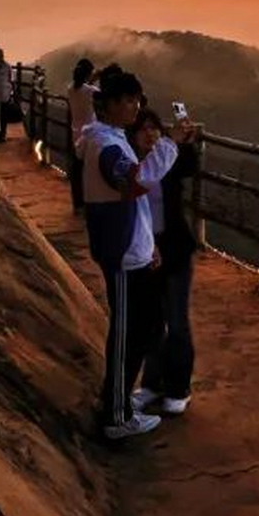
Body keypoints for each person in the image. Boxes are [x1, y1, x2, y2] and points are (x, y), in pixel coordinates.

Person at [78, 68, 190, 440]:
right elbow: (136, 181)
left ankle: (120, 403)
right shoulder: (107, 146)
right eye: (128, 100)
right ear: (109, 104)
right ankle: (116, 415)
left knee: (146, 327)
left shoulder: (112, 139)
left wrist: (148, 244)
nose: (135, 107)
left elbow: (133, 200)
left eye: (137, 100)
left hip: (134, 249)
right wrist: (169, 143)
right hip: (122, 256)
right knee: (127, 335)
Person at [132, 108, 201, 417]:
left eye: (155, 129)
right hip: (144, 252)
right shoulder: (130, 166)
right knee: (150, 321)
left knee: (176, 322)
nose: (150, 134)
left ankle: (178, 387)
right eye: (143, 129)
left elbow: (190, 165)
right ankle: (152, 384)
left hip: (174, 250)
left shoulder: (168, 158)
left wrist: (185, 141)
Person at [66, 58, 98, 211]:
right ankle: (88, 202)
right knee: (89, 171)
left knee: (77, 170)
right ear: (88, 74)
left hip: (75, 133)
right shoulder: (91, 91)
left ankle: (77, 202)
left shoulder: (70, 88)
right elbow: (104, 97)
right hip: (90, 135)